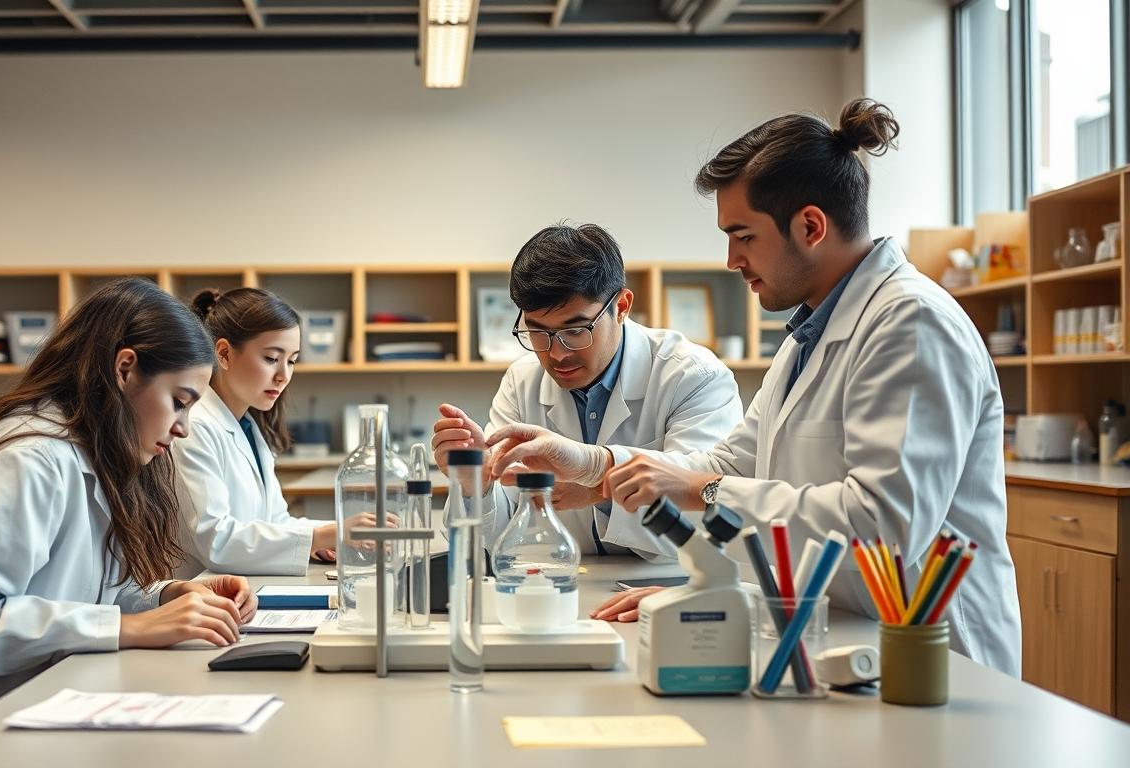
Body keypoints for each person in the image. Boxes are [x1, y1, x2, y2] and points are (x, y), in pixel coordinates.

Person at [573, 100, 1020, 675]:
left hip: (928, 653)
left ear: (810, 226)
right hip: (841, 636)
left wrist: (700, 489)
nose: (731, 259)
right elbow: (735, 464)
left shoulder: (911, 323)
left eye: (743, 236)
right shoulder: (810, 334)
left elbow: (881, 528)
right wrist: (594, 468)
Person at [0, 279, 259, 767]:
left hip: (30, 717)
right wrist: (132, 627)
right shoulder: (29, 457)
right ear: (125, 369)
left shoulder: (92, 453)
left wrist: (165, 596)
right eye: (179, 400)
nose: (183, 427)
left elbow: (83, 592)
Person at [433, 223, 742, 560]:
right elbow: (494, 537)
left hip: (669, 586)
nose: (557, 353)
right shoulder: (523, 381)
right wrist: (475, 484)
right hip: (573, 586)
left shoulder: (693, 375)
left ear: (621, 306)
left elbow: (706, 510)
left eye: (575, 330)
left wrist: (601, 487)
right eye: (538, 332)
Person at [173, 287, 355, 577]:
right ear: (223, 354)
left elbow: (275, 521)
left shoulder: (249, 427)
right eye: (271, 358)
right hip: (200, 598)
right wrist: (320, 537)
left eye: (292, 360)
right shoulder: (194, 427)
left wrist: (335, 532)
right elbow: (216, 541)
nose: (283, 375)